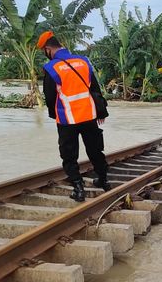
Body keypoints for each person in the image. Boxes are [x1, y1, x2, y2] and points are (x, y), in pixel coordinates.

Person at [38, 31, 110, 202]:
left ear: (48, 49)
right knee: (95, 149)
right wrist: (100, 112)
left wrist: (53, 115)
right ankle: (104, 180)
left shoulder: (51, 68)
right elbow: (95, 88)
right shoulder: (83, 61)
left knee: (69, 155)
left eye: (44, 51)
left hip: (67, 118)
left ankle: (78, 188)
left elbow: (50, 97)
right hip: (88, 114)